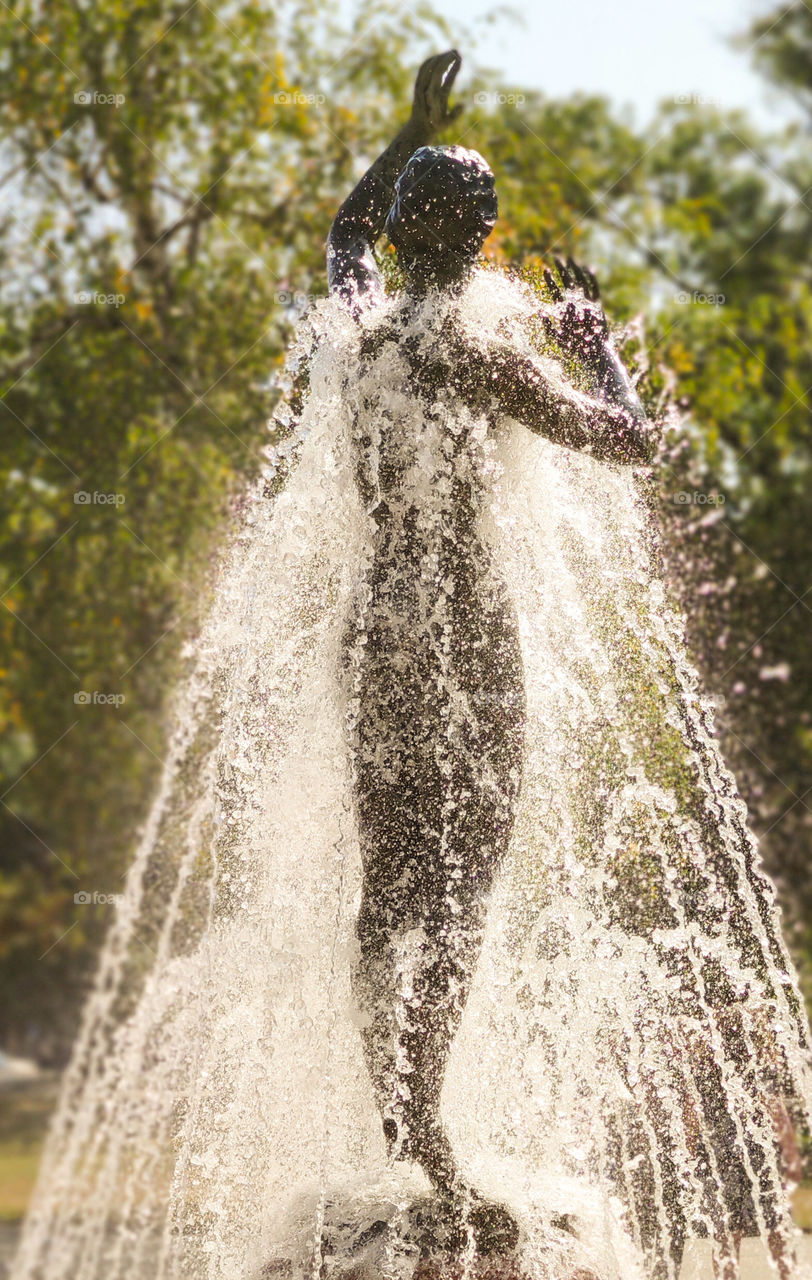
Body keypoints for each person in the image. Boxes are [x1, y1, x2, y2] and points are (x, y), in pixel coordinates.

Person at [327, 48, 652, 1253]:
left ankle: (405, 1131)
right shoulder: (474, 349)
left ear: (411, 228)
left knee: (386, 892)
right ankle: (425, 1133)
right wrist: (591, 334)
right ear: (485, 239)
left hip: (373, 637)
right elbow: (629, 442)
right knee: (457, 889)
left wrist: (400, 134)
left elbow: (338, 239)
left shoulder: (362, 333)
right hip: (461, 638)